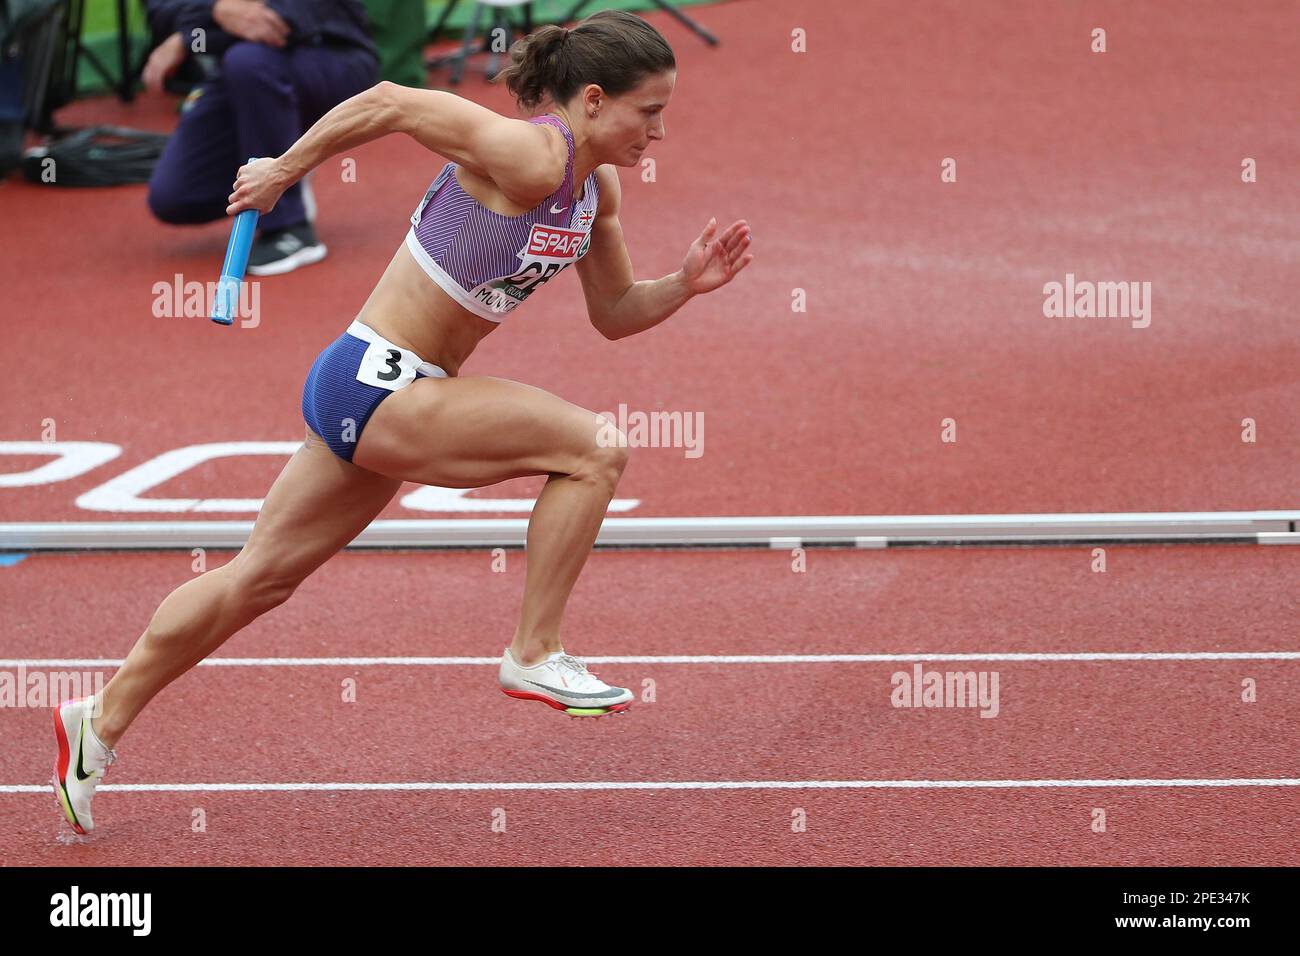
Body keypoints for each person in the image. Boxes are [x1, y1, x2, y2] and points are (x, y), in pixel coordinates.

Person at [53, 10, 753, 834]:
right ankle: (533, 653)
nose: (660, 131)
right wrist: (284, 168)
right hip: (378, 386)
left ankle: (95, 721)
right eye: (649, 111)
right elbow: (389, 98)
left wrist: (686, 283)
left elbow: (616, 314)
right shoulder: (531, 154)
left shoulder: (596, 189)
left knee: (258, 579)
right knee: (594, 448)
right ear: (594, 100)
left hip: (385, 392)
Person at [142, 0, 378, 274]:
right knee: (174, 197)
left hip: (333, 54)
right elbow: (161, 12)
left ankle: (290, 228)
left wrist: (189, 36)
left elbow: (285, 21)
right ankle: (292, 152)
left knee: (249, 61)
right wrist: (214, 11)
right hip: (241, 64)